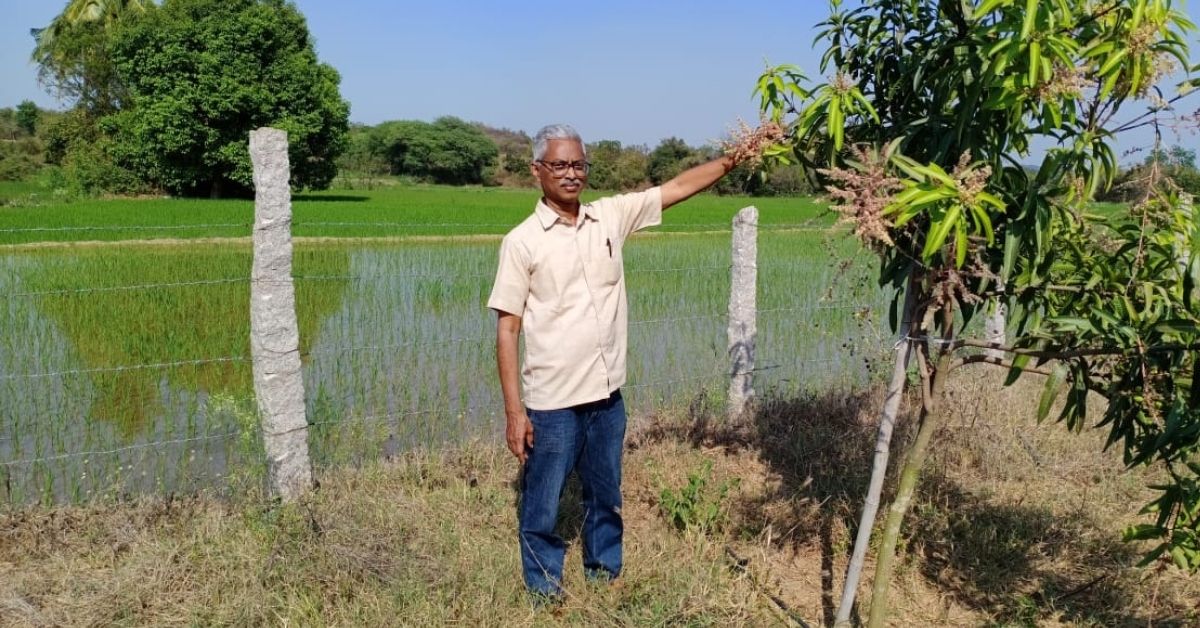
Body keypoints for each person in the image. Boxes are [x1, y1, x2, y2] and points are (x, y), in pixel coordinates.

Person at [487, 123, 749, 600]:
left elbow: (677, 188)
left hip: (607, 397)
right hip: (553, 401)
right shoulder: (522, 241)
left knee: (605, 493)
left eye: (579, 164)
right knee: (543, 502)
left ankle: (604, 571)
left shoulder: (609, 218)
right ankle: (544, 588)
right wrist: (514, 411)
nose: (571, 174)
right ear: (537, 171)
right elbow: (507, 329)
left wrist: (734, 159)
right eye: (560, 165)